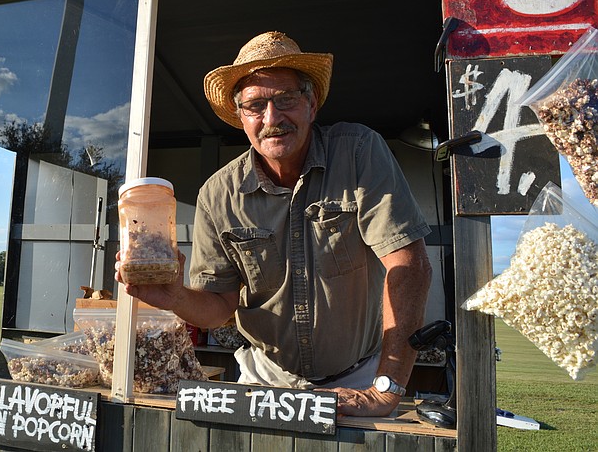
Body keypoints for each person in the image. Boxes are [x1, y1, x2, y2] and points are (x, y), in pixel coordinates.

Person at [117, 31, 432, 417]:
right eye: (255, 105)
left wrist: (388, 385)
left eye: (286, 100)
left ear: (311, 104)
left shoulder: (358, 153)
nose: (272, 118)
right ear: (240, 117)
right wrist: (176, 297)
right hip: (265, 381)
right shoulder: (217, 195)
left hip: (359, 380)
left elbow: (408, 266)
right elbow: (219, 310)